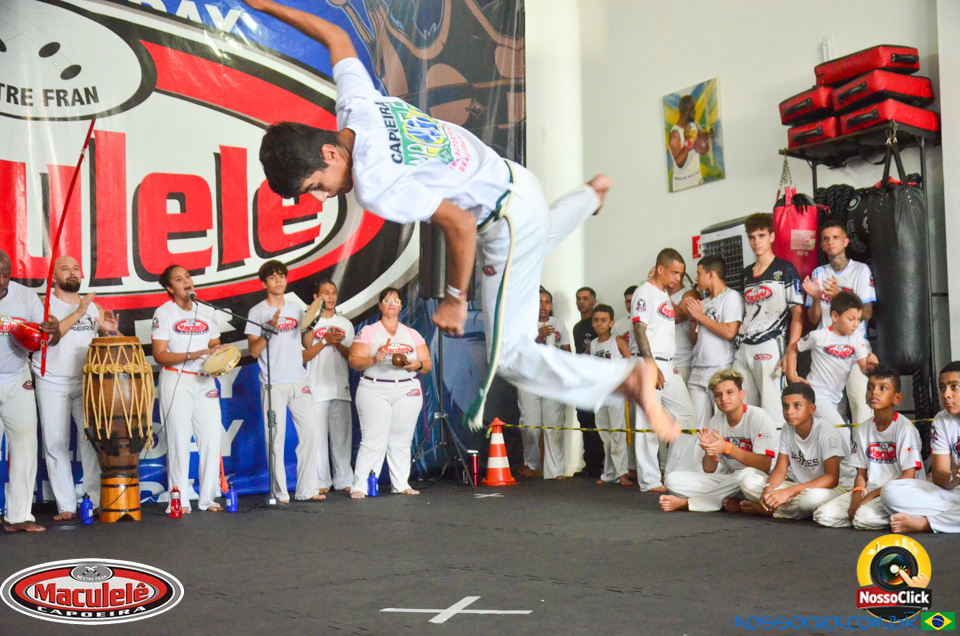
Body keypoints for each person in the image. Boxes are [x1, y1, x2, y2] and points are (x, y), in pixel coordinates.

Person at [242, 0, 677, 445]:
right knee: (527, 253)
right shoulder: (358, 105)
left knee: (510, 357)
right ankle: (587, 198)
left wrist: (455, 299)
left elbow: (461, 224)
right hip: (517, 182)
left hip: (502, 220)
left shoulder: (373, 181)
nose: (322, 197)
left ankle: (627, 378)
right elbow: (335, 36)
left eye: (316, 185)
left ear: (330, 153)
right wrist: (265, 6)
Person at [35, 255, 117, 520]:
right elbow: (50, 337)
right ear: (53, 277)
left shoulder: (94, 307)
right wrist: (79, 311)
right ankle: (67, 506)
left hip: (86, 382)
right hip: (51, 380)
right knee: (55, 444)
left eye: (75, 268)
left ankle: (93, 501)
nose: (72, 272)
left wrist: (110, 333)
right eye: (64, 269)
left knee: (92, 441)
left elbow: (105, 345)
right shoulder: (44, 304)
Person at [245, 260, 323, 503]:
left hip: (299, 380)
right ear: (264, 283)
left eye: (282, 276)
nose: (279, 281)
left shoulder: (296, 307)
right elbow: (254, 352)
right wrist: (268, 331)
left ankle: (307, 489)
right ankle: (280, 492)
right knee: (275, 438)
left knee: (311, 433)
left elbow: (307, 344)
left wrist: (310, 321)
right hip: (273, 383)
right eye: (272, 277)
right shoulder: (257, 312)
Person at [152, 265, 225, 513]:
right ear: (170, 288)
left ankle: (208, 499)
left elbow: (214, 343)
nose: (186, 281)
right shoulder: (164, 312)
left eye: (188, 276)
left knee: (212, 439)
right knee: (179, 441)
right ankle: (179, 500)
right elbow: (159, 355)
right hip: (177, 380)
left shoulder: (207, 310)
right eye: (179, 279)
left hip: (205, 380)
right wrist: (192, 354)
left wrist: (218, 352)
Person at [813, 365, 922, 529]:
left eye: (882, 388)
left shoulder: (905, 429)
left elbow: (909, 475)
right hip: (869, 490)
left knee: (862, 517)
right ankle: (862, 517)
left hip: (896, 492)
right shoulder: (863, 429)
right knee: (823, 515)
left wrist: (871, 496)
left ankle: (905, 517)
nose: (874, 393)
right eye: (870, 388)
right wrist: (857, 497)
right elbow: (861, 473)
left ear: (897, 398)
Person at [348, 288, 432, 498]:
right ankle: (361, 485)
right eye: (387, 300)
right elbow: (354, 361)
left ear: (401, 305)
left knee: (402, 439)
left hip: (407, 387)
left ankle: (401, 483)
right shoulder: (369, 331)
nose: (392, 304)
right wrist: (374, 359)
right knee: (374, 439)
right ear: (380, 305)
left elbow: (427, 364)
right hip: (375, 387)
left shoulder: (411, 333)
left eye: (396, 301)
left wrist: (417, 364)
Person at [0, 249, 61, 532]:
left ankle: (19, 517)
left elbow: (49, 337)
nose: (2, 281)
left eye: (6, 275)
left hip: (17, 377)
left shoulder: (25, 296)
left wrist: (52, 329)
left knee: (25, 447)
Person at [659, 370, 776, 512]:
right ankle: (732, 500)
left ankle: (690, 503)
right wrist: (710, 451)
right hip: (731, 481)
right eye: (718, 395)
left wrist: (728, 447)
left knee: (745, 476)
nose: (724, 398)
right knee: (672, 480)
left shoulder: (758, 417)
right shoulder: (716, 421)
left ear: (742, 394)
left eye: (729, 392)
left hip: (757, 481)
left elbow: (764, 465)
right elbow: (709, 469)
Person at [631, 249, 699, 487]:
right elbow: (639, 328)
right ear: (660, 269)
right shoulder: (644, 292)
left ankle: (676, 474)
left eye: (681, 274)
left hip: (670, 364)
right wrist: (651, 365)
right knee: (648, 423)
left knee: (687, 417)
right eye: (674, 273)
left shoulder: (664, 295)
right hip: (648, 362)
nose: (678, 278)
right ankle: (649, 480)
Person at [802, 219, 876, 424]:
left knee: (861, 404)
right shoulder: (819, 273)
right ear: (822, 245)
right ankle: (840, 446)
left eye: (835, 237)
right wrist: (816, 298)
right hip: (826, 352)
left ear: (845, 241)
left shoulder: (860, 270)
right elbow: (813, 319)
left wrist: (838, 296)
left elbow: (867, 312)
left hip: (854, 348)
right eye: (826, 239)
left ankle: (862, 446)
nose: (831, 242)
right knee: (832, 412)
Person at [732, 213, 803, 424]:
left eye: (761, 236)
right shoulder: (746, 274)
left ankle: (776, 448)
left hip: (770, 343)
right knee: (744, 410)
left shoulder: (785, 269)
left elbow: (798, 314)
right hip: (744, 346)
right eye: (752, 237)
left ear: (771, 237)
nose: (756, 242)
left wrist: (791, 352)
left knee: (772, 410)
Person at [738, 383, 845, 519]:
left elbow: (832, 479)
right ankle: (784, 509)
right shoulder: (787, 429)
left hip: (830, 490)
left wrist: (788, 492)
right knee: (748, 482)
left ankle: (769, 510)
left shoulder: (826, 431)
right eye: (785, 406)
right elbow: (780, 469)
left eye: (797, 406)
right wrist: (768, 488)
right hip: (798, 488)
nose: (789, 412)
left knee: (808, 500)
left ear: (812, 409)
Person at [881, 361, 960, 533]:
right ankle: (952, 518)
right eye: (942, 388)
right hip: (955, 493)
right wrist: (954, 479)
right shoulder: (941, 420)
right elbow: (940, 477)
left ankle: (926, 523)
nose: (946, 394)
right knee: (890, 491)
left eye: (954, 387)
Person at [302, 278, 356, 493]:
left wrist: (337, 342)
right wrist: (324, 339)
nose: (331, 297)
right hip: (316, 387)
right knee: (317, 439)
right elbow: (304, 354)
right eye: (325, 293)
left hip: (340, 386)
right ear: (316, 297)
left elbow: (353, 357)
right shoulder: (308, 323)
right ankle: (320, 481)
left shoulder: (345, 324)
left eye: (333, 292)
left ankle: (344, 479)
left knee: (342, 438)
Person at [683, 255, 743, 429]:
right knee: (694, 425)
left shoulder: (731, 297)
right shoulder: (703, 302)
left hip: (720, 368)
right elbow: (695, 340)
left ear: (711, 274)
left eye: (699, 273)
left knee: (721, 424)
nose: (696, 279)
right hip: (697, 368)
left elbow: (730, 332)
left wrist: (701, 317)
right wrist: (693, 320)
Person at [517, 288, 571, 480]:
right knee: (530, 426)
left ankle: (555, 471)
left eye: (547, 302)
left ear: (551, 305)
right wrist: (536, 334)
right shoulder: (524, 323)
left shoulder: (558, 325)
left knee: (553, 426)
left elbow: (568, 352)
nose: (543, 306)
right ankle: (532, 464)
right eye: (539, 302)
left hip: (552, 381)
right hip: (529, 379)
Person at [586, 304, 632, 486]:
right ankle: (609, 473)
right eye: (596, 320)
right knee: (605, 434)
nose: (599, 324)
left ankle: (622, 473)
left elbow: (630, 364)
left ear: (611, 323)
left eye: (603, 320)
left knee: (618, 433)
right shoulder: (592, 344)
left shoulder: (617, 341)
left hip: (616, 394)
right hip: (600, 394)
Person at [573, 286, 603, 478]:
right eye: (578, 298)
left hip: (598, 380)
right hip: (581, 380)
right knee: (585, 422)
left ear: (594, 301)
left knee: (600, 423)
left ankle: (604, 465)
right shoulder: (577, 327)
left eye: (585, 298)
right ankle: (590, 464)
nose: (581, 302)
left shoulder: (599, 325)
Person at [668, 95, 712, 192]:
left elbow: (703, 146)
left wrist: (708, 136)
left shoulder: (694, 125)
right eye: (693, 109)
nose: (695, 111)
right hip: (682, 183)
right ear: (687, 111)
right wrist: (688, 142)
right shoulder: (675, 134)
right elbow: (679, 163)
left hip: (697, 178)